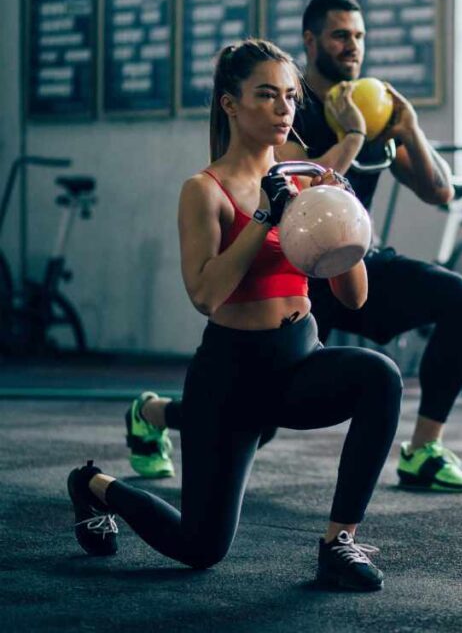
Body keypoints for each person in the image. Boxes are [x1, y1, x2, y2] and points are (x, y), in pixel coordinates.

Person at [69, 39, 403, 591]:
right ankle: (92, 484)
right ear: (230, 104)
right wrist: (264, 217)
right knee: (200, 549)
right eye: (267, 95)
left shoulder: (304, 180)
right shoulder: (204, 191)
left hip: (298, 361)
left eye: (291, 97)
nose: (283, 109)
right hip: (230, 379)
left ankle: (338, 542)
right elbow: (204, 293)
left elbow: (354, 298)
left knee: (379, 377)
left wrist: (345, 222)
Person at [127, 0, 462, 493]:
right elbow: (297, 182)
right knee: (259, 418)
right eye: (340, 35)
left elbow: (439, 190)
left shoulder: (369, 107)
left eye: (359, 36)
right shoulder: (294, 116)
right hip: (292, 265)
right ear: (312, 41)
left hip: (347, 259)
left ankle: (424, 449)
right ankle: (156, 414)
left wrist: (410, 129)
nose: (352, 46)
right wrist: (355, 137)